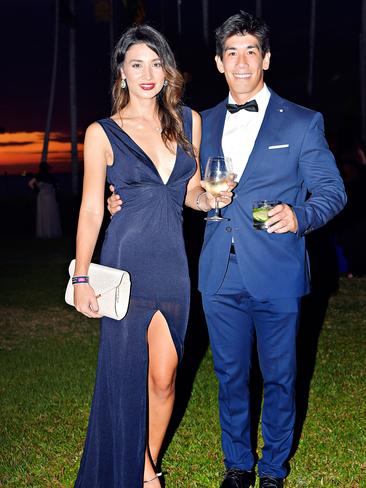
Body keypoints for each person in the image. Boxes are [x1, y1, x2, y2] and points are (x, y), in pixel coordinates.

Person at [108, 11, 346, 488]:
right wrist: (124, 201)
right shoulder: (197, 122)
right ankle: (238, 467)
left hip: (277, 269)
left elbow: (332, 192)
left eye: (251, 52)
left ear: (266, 59)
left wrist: (300, 216)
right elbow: (174, 185)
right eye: (231, 53)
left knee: (279, 379)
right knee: (230, 376)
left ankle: (274, 471)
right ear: (219, 62)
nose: (241, 62)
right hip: (217, 273)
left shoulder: (302, 122)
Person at [72, 24, 232, 488]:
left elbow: (190, 192)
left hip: (173, 264)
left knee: (165, 375)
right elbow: (88, 209)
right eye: (136, 63)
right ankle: (145, 475)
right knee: (126, 376)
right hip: (125, 261)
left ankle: (146, 460)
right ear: (121, 72)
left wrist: (213, 200)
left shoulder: (188, 120)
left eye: (155, 63)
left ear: (167, 70)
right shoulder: (102, 133)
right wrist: (82, 278)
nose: (147, 73)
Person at [28, 162, 62, 239]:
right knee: (51, 214)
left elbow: (30, 183)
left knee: (44, 214)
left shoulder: (38, 176)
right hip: (51, 197)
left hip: (42, 197)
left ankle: (44, 232)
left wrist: (37, 189)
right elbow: (58, 185)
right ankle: (51, 232)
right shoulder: (51, 176)